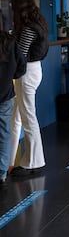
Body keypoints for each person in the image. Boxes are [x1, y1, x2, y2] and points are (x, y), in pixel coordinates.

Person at [8, 0, 49, 177]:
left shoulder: (28, 28)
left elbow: (20, 54)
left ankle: (34, 161)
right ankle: (9, 159)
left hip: (26, 74)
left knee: (27, 118)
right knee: (16, 118)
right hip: (32, 71)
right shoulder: (36, 22)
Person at [0, 31, 26, 187]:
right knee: (4, 133)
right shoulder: (10, 41)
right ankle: (1, 173)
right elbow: (21, 67)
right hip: (5, 94)